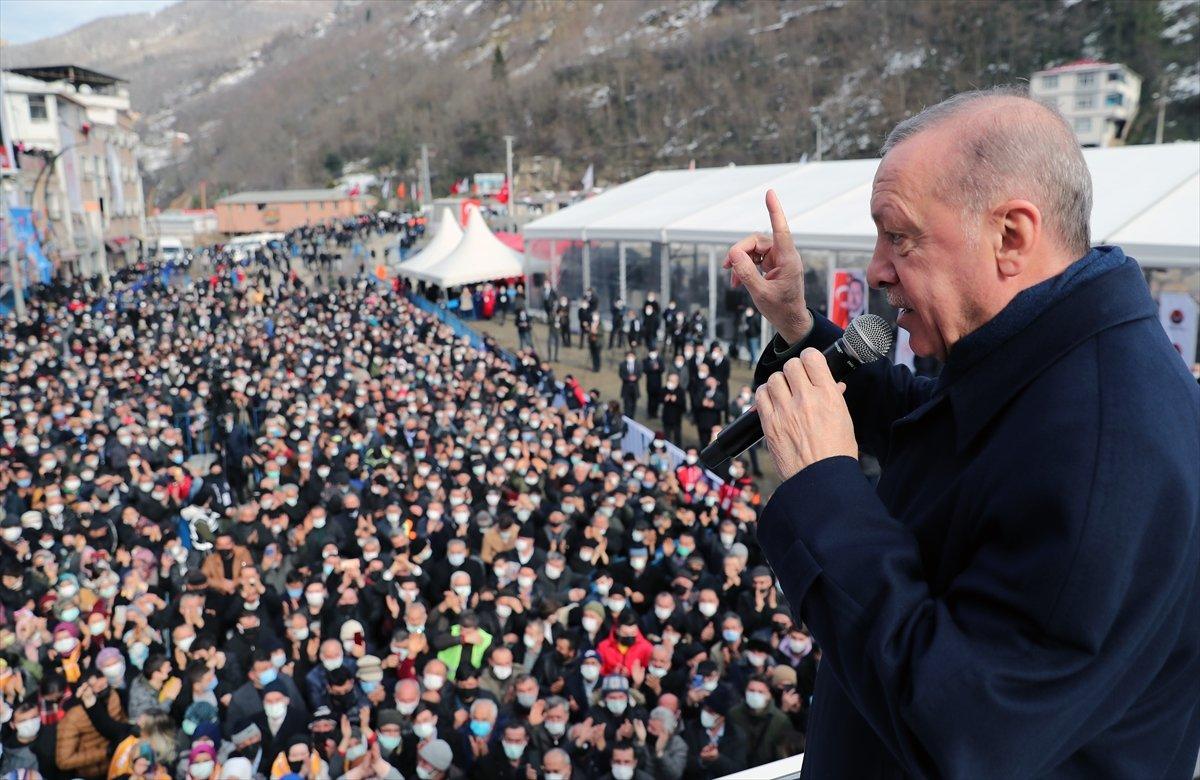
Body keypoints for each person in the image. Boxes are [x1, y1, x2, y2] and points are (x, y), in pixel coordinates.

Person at [725, 88, 1200, 776]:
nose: (877, 269)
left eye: (901, 236)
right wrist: (801, 326)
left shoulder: (1104, 452)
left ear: (1011, 235)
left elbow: (962, 732)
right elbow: (940, 432)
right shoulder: (1049, 363)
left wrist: (827, 491)